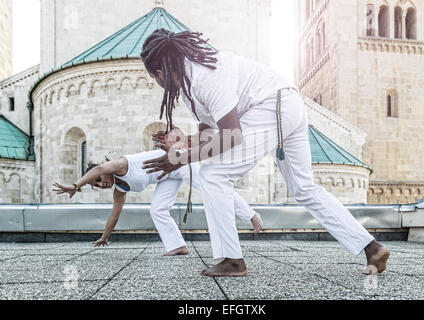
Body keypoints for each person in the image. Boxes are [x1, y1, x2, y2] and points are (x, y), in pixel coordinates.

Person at [139, 29, 390, 276]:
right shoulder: (189, 84)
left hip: (272, 107)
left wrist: (180, 160)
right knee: (305, 189)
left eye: (155, 78)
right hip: (286, 106)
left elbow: (232, 135)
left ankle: (232, 260)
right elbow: (209, 136)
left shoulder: (205, 76)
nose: (158, 83)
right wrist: (183, 144)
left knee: (212, 174)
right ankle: (372, 248)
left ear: (160, 72)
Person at [52, 146, 263, 256]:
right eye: (96, 185)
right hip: (167, 177)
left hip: (177, 162)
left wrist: (76, 185)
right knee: (157, 209)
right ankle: (178, 246)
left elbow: (98, 169)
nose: (100, 184)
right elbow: (114, 215)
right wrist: (105, 237)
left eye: (98, 180)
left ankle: (251, 215)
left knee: (212, 188)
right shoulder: (120, 189)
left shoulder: (119, 165)